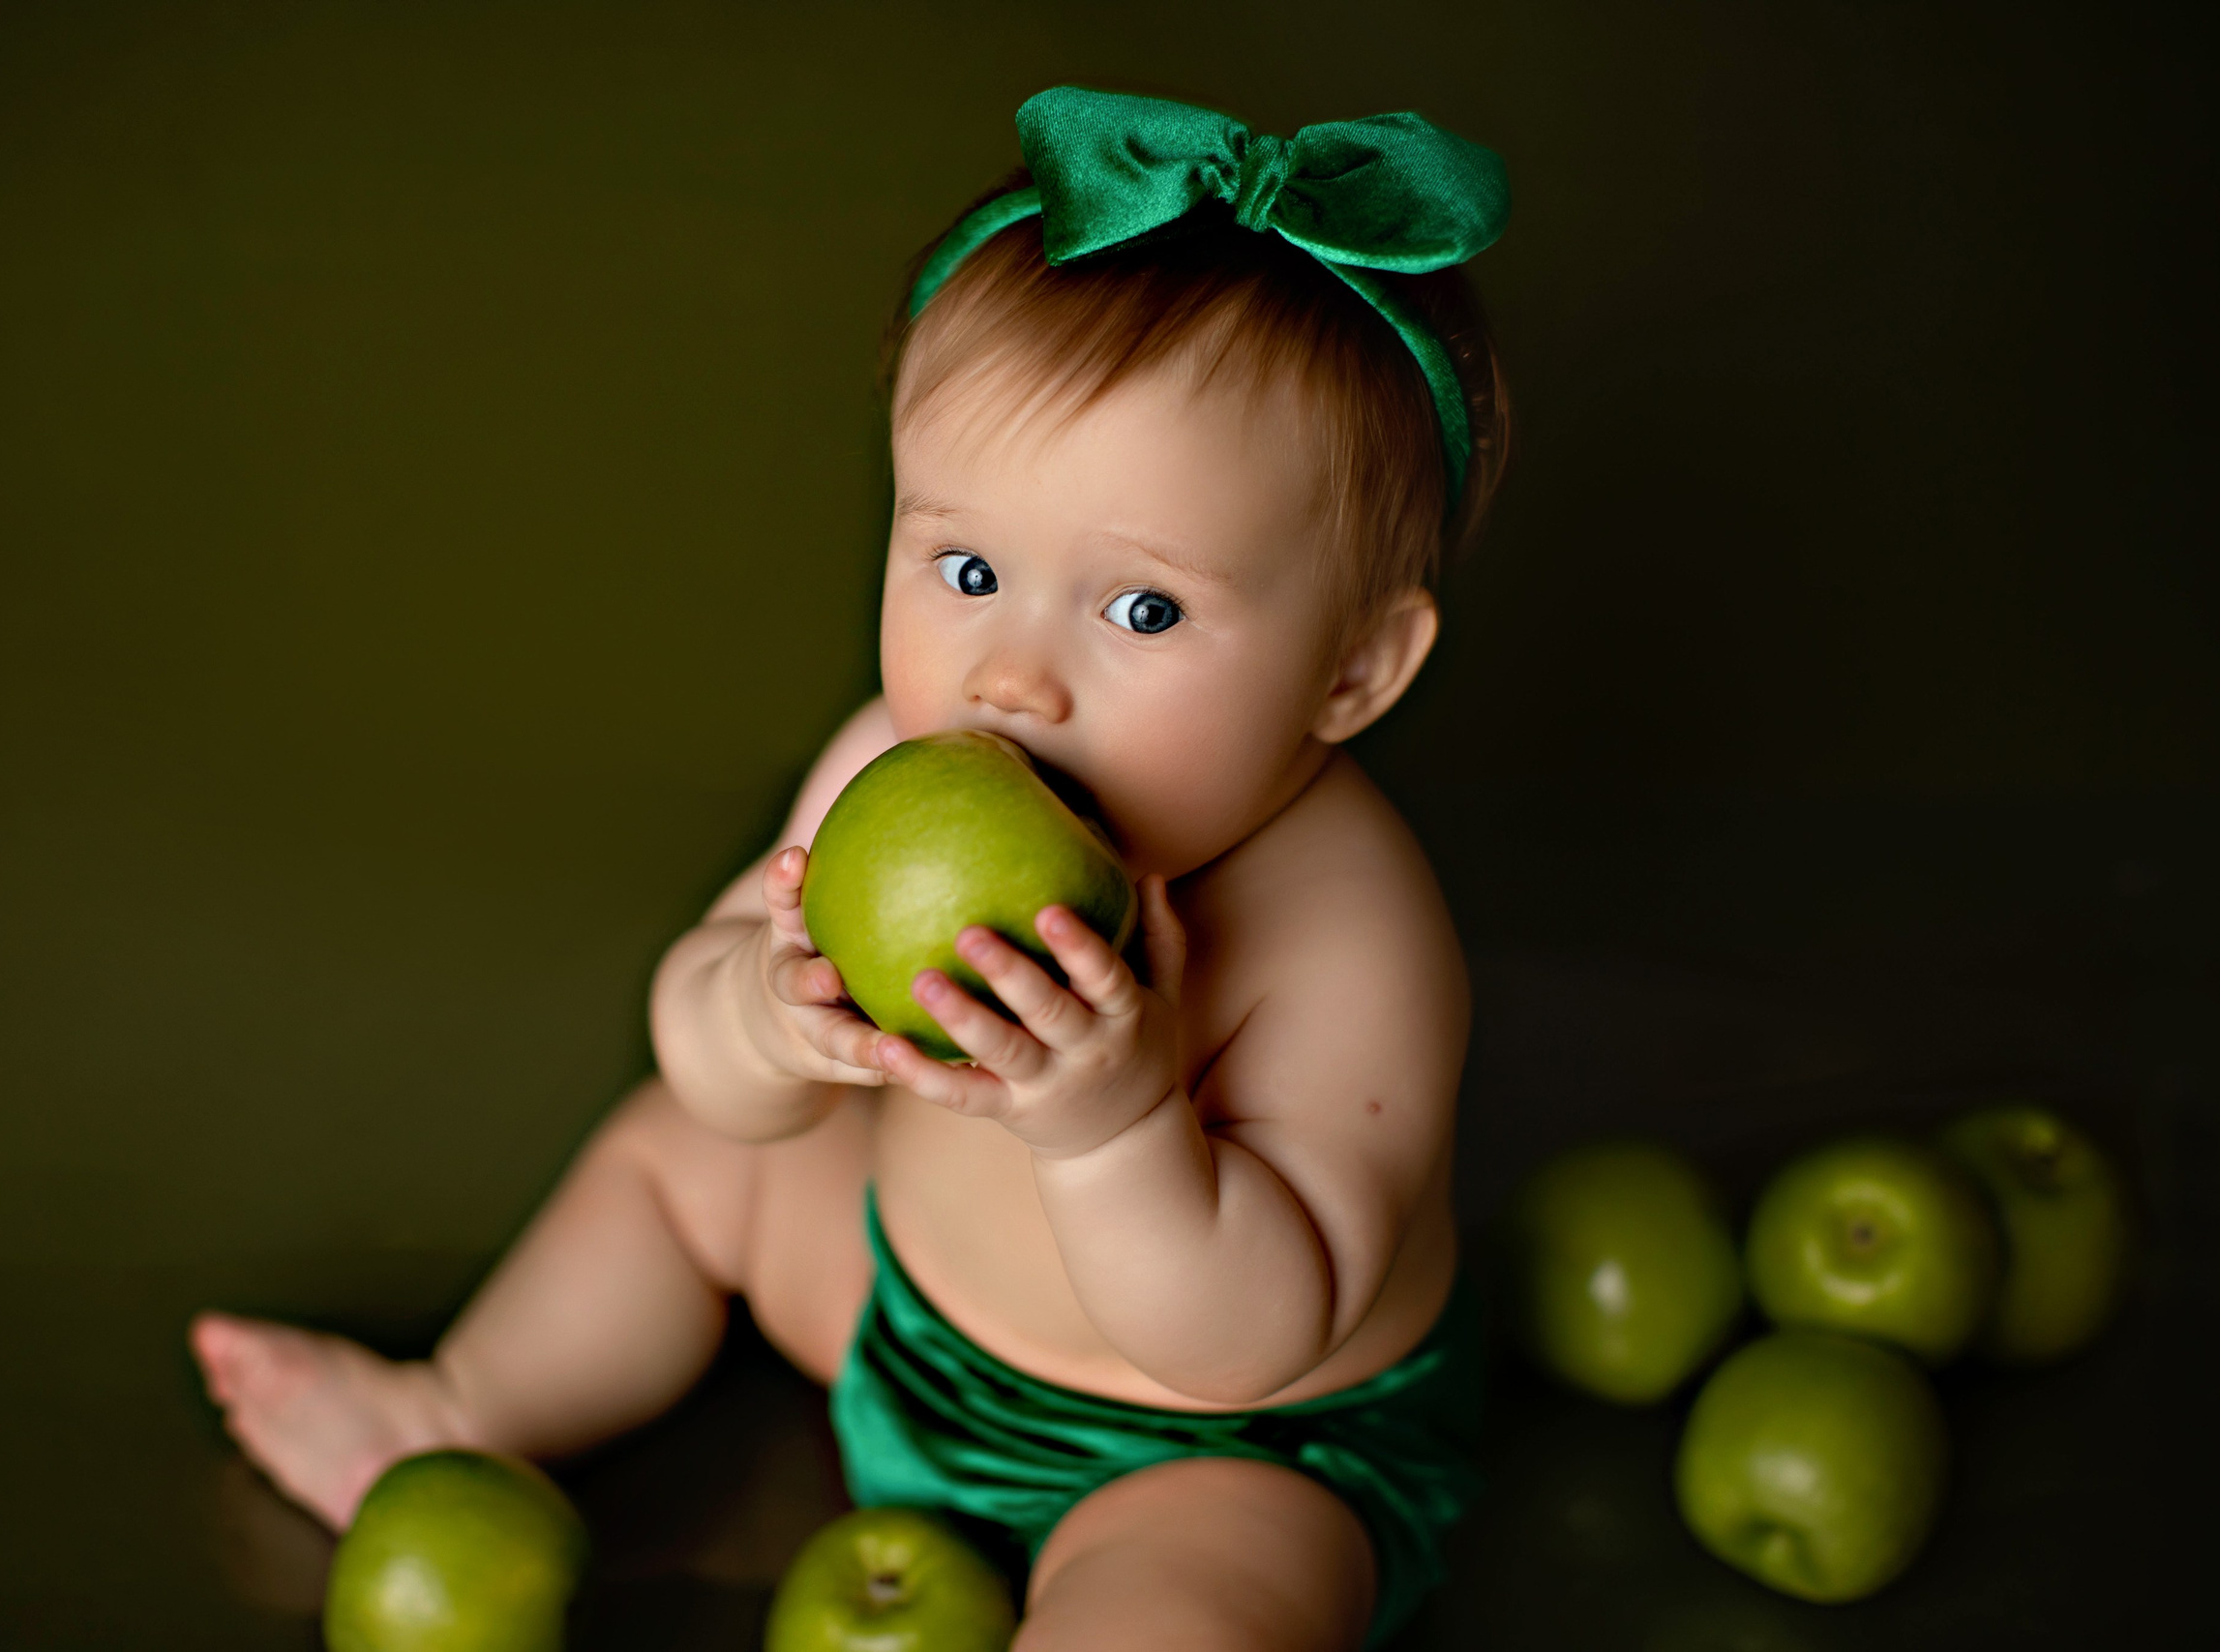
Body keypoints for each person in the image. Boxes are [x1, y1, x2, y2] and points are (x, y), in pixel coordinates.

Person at [192, 86, 1512, 1650]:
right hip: (901, 1319)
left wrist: (1116, 1127)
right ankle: (459, 1412)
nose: (1013, 678)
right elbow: (695, 1052)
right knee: (687, 1159)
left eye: (1143, 611)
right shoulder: (894, 764)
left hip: (1212, 1453)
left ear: (1354, 670)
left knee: (1194, 1616)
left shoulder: (1352, 933)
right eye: (969, 569)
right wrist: (761, 1016)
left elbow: (1252, 1337)